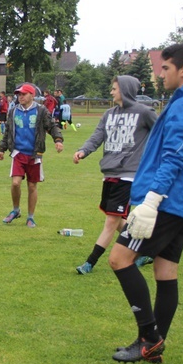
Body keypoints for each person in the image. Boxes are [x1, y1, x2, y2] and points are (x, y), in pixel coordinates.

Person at [107, 42, 183, 363]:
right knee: (165, 270)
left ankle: (150, 337)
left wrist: (151, 201)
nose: (161, 73)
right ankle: (152, 346)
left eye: (166, 68)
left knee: (119, 259)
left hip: (168, 202)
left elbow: (174, 157)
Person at [72, 75, 158, 275]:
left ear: (126, 90)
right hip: (109, 172)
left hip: (129, 175)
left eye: (114, 88)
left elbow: (162, 133)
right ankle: (150, 248)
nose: (111, 92)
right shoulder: (109, 114)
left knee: (111, 221)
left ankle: (89, 263)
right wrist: (83, 151)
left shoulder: (144, 112)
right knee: (119, 220)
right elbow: (97, 136)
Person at [0, 83, 64, 227]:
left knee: (32, 186)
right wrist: (2, 149)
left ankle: (31, 217)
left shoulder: (41, 111)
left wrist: (58, 140)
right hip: (18, 154)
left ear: (31, 95)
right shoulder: (13, 111)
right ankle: (15, 210)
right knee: (15, 183)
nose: (20, 97)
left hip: (35, 155)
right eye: (18, 95)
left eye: (23, 94)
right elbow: (8, 131)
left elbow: (51, 126)